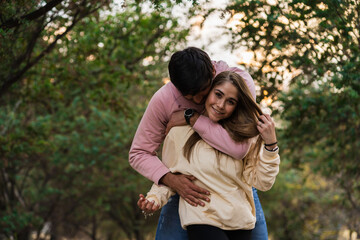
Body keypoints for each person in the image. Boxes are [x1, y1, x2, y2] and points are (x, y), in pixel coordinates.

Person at [129, 47, 268, 239]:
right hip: (188, 191)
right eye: (189, 97)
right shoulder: (164, 100)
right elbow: (139, 153)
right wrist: (172, 180)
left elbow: (240, 147)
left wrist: (192, 117)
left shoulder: (237, 84)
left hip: (234, 188)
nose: (197, 100)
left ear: (212, 72)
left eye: (202, 92)